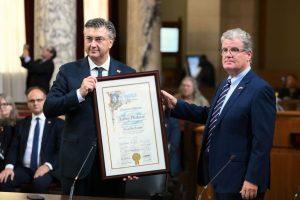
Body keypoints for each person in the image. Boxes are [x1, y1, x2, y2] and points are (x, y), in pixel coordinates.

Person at [162, 28, 276, 200]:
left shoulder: (260, 89)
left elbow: (262, 141)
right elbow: (212, 116)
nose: (228, 54)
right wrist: (176, 105)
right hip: (219, 173)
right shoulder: (225, 85)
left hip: (241, 180)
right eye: (224, 50)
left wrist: (253, 179)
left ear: (249, 54)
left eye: (234, 50)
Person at [43, 18, 136, 197]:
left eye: (99, 39)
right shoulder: (68, 71)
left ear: (111, 42)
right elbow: (49, 107)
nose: (92, 44)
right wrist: (78, 93)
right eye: (88, 38)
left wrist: (132, 161)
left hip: (114, 164)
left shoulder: (127, 73)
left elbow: (132, 120)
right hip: (76, 161)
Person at [0, 87, 64, 193]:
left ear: (46, 101)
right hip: (24, 168)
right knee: (4, 180)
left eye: (39, 100)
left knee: (39, 184)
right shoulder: (21, 124)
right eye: (32, 100)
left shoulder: (57, 124)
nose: (35, 103)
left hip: (46, 168)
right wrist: (9, 167)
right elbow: (14, 148)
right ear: (27, 103)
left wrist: (48, 166)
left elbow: (61, 150)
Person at [0, 94, 17, 170]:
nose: (1, 107)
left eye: (4, 104)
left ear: (11, 107)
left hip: (9, 162)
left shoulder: (18, 125)